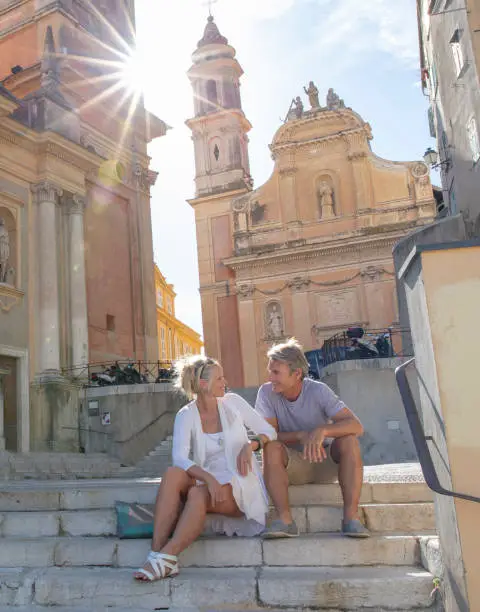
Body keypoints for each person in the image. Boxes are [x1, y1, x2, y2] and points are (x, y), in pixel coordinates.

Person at [134, 355, 277, 582]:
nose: (224, 382)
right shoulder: (186, 414)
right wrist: (208, 478)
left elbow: (269, 431)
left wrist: (251, 446)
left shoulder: (233, 402)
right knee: (173, 474)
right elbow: (179, 458)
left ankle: (167, 557)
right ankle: (157, 553)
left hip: (238, 484)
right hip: (208, 480)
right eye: (219, 378)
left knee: (198, 493)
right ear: (203, 384)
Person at [256, 338, 370, 538]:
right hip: (292, 465)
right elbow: (269, 434)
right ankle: (285, 520)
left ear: (297, 373)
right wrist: (301, 435)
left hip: (323, 460)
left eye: (276, 372)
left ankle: (351, 518)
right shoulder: (266, 393)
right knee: (271, 447)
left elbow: (356, 425)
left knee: (349, 440)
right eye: (270, 371)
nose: (270, 377)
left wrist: (323, 431)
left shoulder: (318, 390)